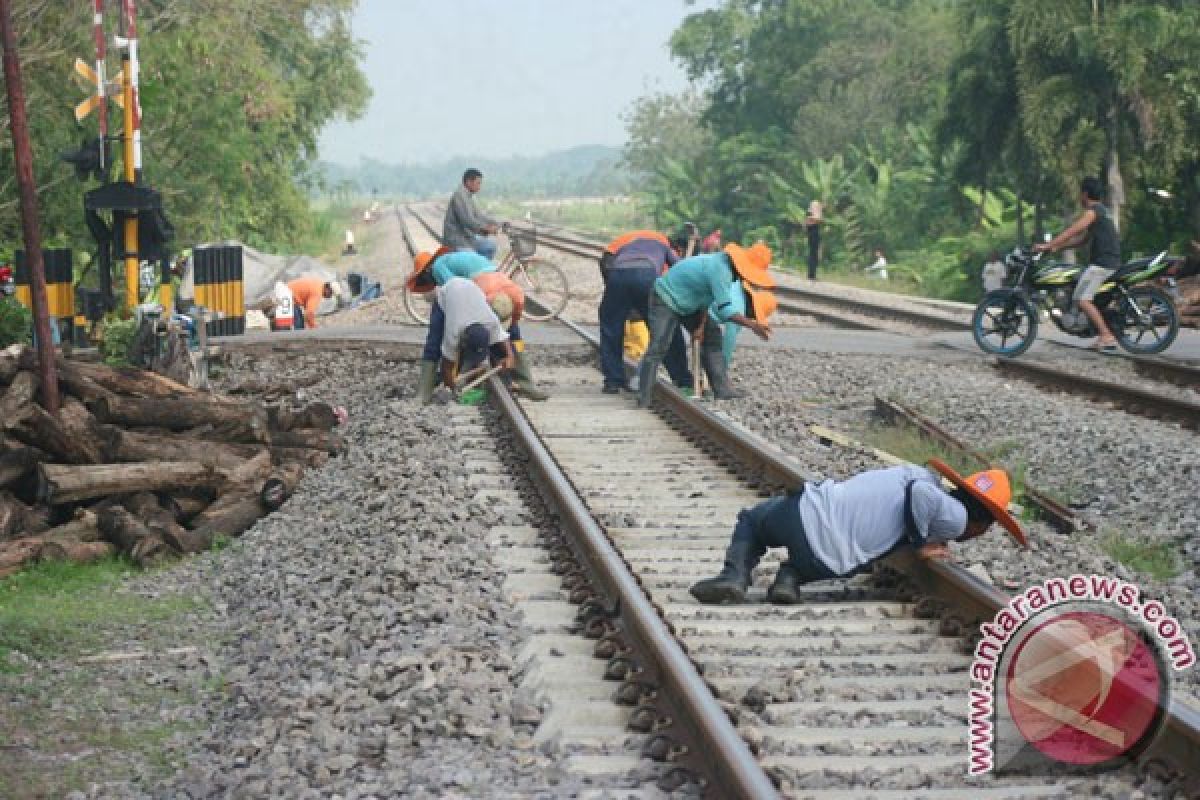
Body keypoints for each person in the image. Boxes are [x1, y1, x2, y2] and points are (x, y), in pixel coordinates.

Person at [690, 459, 1028, 605]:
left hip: (805, 512)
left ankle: (735, 576)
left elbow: (916, 494)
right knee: (840, 556)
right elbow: (921, 498)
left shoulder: (921, 479)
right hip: (828, 562)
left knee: (752, 520)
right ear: (982, 523)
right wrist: (923, 544)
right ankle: (789, 580)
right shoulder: (954, 517)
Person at [637, 242, 774, 408]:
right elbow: (725, 310)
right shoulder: (721, 270)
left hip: (691, 304)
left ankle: (722, 389)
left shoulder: (727, 270)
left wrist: (701, 327)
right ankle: (643, 395)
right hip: (666, 298)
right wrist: (753, 325)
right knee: (659, 345)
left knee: (712, 336)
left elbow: (706, 298)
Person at [409, 252, 546, 402]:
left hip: (479, 289)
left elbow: (506, 330)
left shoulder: (438, 267)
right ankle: (526, 383)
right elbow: (511, 331)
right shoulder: (458, 328)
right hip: (472, 289)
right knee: (435, 342)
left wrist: (509, 356)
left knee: (436, 341)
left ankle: (425, 391)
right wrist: (450, 383)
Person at [598, 230, 692, 394]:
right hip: (647, 276)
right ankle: (682, 378)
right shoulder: (664, 243)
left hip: (617, 275)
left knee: (611, 328)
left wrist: (614, 292)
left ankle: (613, 381)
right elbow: (680, 269)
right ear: (674, 245)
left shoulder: (626, 239)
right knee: (665, 329)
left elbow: (605, 261)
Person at [1034, 177, 1122, 351]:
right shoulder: (1102, 211)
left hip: (1103, 264)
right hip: (1106, 262)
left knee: (1082, 299)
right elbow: (1082, 240)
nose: (1079, 197)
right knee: (1078, 290)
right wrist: (1056, 248)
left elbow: (1072, 231)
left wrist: (1048, 245)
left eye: (1080, 194)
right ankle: (1097, 332)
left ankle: (1106, 336)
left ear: (1085, 194)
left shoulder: (1092, 212)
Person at [433, 277, 515, 390]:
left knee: (470, 358)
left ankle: (466, 372)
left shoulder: (490, 321)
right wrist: (451, 386)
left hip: (470, 289)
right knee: (434, 342)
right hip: (447, 292)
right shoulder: (453, 331)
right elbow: (447, 364)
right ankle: (428, 382)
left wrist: (510, 356)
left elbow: (502, 336)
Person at [444, 168, 499, 259]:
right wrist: (486, 229)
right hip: (457, 240)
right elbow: (468, 221)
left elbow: (478, 215)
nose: (479, 187)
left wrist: (496, 223)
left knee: (489, 246)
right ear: (469, 182)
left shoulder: (468, 196)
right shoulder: (459, 196)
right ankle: (476, 271)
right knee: (473, 257)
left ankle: (482, 269)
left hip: (467, 237)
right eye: (478, 183)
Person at [805, 200, 824, 281]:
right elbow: (818, 219)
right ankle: (811, 275)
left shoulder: (811, 214)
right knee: (813, 254)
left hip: (814, 232)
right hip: (813, 233)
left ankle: (812, 274)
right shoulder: (812, 214)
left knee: (814, 254)